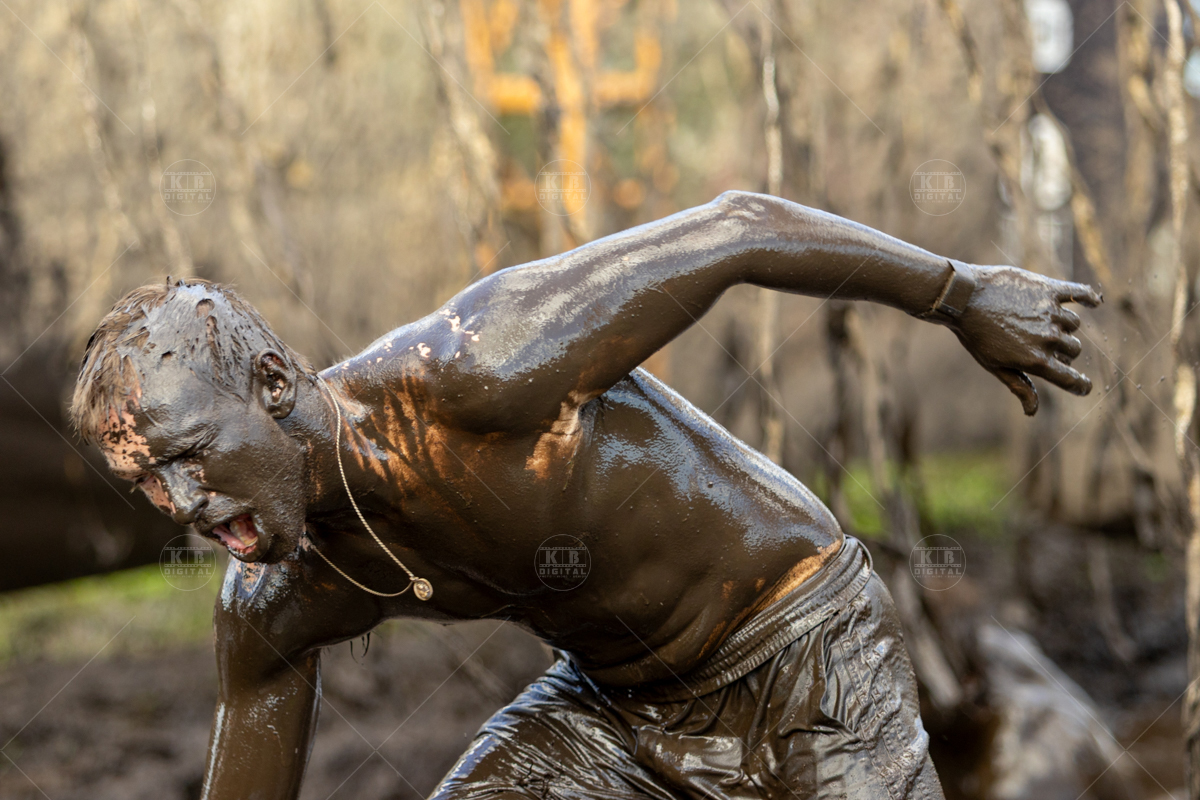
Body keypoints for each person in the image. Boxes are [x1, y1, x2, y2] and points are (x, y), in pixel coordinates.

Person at [71, 191, 1099, 799]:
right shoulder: (276, 599)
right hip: (616, 706)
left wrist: (958, 291)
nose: (182, 500)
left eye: (190, 454)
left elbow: (737, 228)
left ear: (271, 386)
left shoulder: (479, 368)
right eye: (147, 482)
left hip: (807, 651)